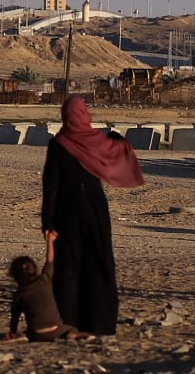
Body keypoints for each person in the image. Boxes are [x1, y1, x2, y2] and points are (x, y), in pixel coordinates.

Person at [42, 96, 144, 336]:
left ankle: (68, 322)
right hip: (94, 210)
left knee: (67, 267)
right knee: (98, 262)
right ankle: (100, 323)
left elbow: (50, 186)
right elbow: (119, 148)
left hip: (66, 211)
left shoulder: (58, 144)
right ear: (84, 115)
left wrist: (47, 221)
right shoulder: (98, 141)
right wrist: (118, 139)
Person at [5, 230, 82, 342]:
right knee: (72, 328)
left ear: (14, 275)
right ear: (34, 268)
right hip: (56, 330)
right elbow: (49, 261)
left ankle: (22, 337)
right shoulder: (45, 279)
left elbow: (14, 319)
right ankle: (72, 335)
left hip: (35, 334)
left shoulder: (19, 294)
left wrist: (12, 333)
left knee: (27, 333)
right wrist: (50, 241)